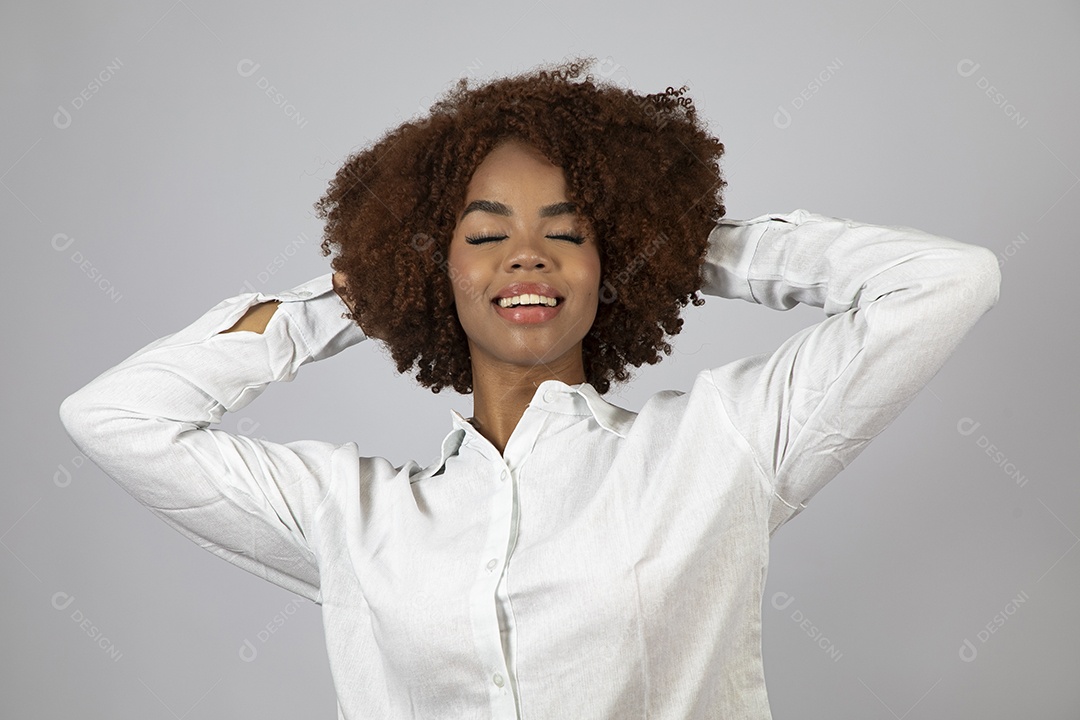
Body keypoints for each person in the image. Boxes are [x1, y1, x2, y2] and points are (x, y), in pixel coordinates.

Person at [58, 58, 1001, 719]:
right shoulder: (350, 518)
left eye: (569, 229)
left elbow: (944, 283)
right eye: (482, 234)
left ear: (610, 258)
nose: (527, 255)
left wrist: (676, 242)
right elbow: (116, 417)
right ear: (433, 266)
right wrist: (345, 297)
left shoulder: (720, 451)